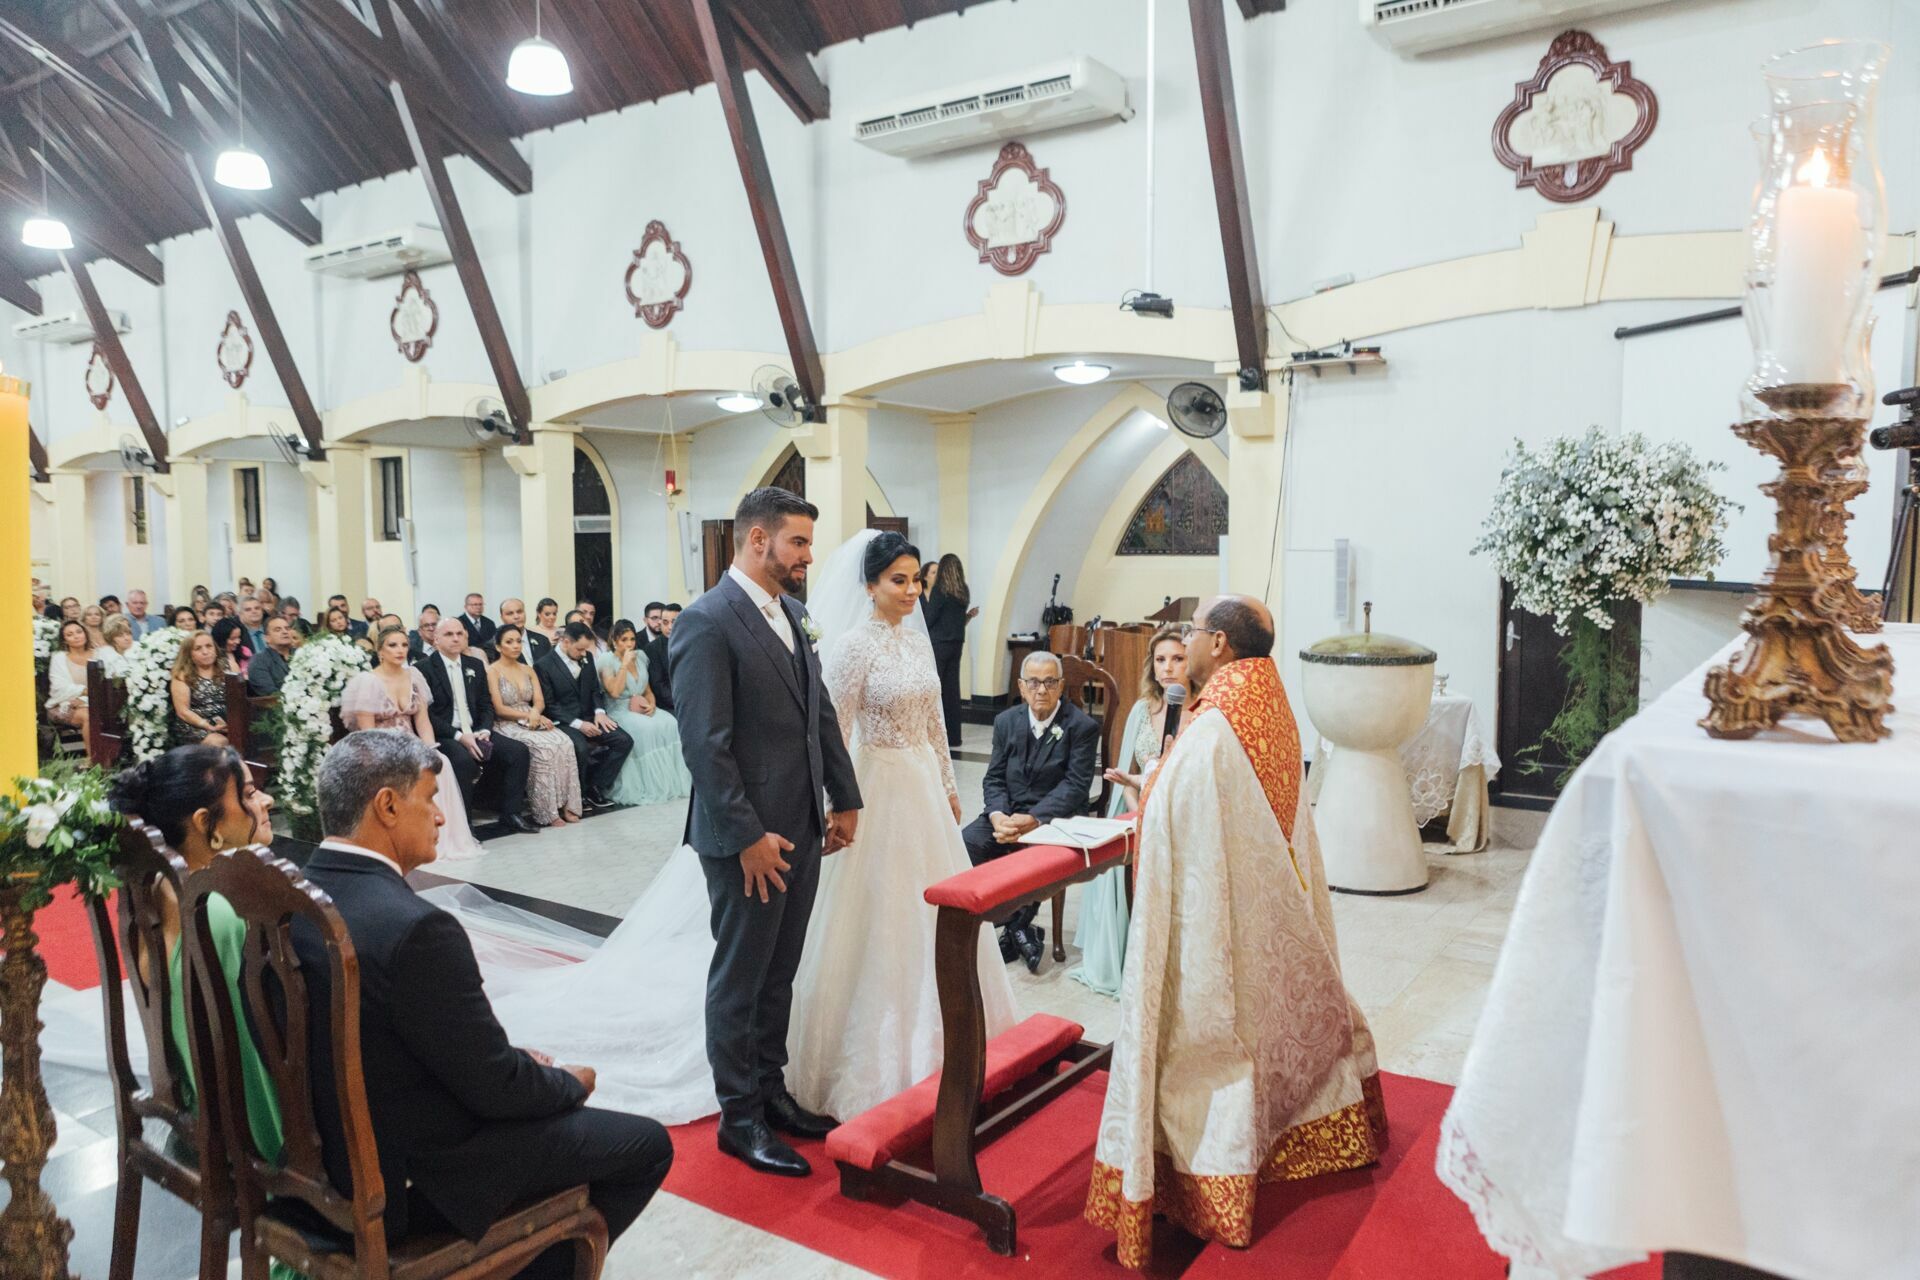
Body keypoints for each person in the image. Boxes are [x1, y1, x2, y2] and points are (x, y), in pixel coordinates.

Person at [293, 733, 672, 1275]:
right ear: (388, 805)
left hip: (317, 1164)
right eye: (431, 798)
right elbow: (496, 1089)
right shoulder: (416, 928)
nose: (442, 818)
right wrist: (568, 1082)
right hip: (402, 1182)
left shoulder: (294, 895)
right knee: (644, 1143)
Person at [1083, 596, 1385, 1268]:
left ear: (1217, 644)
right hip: (1271, 905)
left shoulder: (1218, 722)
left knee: (1214, 1036)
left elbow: (1180, 806)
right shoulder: (1268, 701)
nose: (1185, 643)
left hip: (1232, 921)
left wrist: (1153, 786)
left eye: (1191, 634)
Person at [784, 530, 1017, 1122]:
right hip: (876, 784)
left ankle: (953, 1045)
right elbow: (832, 730)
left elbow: (937, 720)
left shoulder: (917, 644)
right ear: (870, 585)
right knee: (881, 915)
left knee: (938, 910)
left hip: (921, 787)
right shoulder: (855, 648)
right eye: (899, 580)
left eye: (918, 580)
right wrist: (841, 798)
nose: (913, 590)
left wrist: (945, 782)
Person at [670, 486, 862, 1176]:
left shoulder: (796, 615)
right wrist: (747, 833)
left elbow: (821, 714)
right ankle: (738, 1116)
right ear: (758, 540)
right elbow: (705, 744)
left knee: (781, 969)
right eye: (799, 543)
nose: (809, 556)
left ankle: (772, 1091)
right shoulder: (706, 622)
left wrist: (844, 796)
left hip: (802, 824)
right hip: (744, 837)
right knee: (741, 976)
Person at [106, 748, 286, 1178]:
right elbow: (248, 1063)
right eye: (248, 793)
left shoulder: (157, 890)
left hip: (195, 1115)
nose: (266, 802)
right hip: (243, 1140)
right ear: (207, 824)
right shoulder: (219, 914)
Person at [962, 650, 1100, 972]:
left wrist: (1034, 819)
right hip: (1008, 813)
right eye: (1034, 683)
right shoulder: (1006, 721)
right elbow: (994, 777)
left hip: (1054, 817)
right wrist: (998, 816)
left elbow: (1075, 787)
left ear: (1062, 686)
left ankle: (1015, 927)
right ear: (1022, 687)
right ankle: (1017, 925)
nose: (1042, 690)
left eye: (1050, 682)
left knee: (1037, 853)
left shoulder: (1081, 726)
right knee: (968, 842)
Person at [1070, 625, 1187, 998]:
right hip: (1137, 805)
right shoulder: (1141, 708)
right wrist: (1139, 814)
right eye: (1160, 660)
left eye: (1177, 659)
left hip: (1181, 810)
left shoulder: (1200, 710)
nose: (1167, 668)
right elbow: (1127, 771)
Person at [340, 627, 483, 859]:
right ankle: (405, 841)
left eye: (404, 645)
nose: (400, 650)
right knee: (404, 770)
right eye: (393, 645)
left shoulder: (414, 676)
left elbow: (423, 720)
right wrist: (384, 756)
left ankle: (441, 838)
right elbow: (366, 733)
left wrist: (430, 748)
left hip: (412, 743)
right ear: (380, 651)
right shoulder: (368, 682)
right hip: (379, 747)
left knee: (441, 762)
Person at [416, 619, 538, 836]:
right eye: (449, 634)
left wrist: (485, 729)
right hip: (446, 734)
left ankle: (511, 813)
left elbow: (485, 704)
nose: (455, 638)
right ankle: (465, 823)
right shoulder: (423, 669)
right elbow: (428, 715)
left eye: (459, 634)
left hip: (476, 729)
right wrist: (459, 736)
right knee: (462, 761)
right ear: (436, 639)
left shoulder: (475, 665)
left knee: (518, 752)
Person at [486, 624, 583, 826]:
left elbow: (539, 701)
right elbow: (499, 708)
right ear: (498, 647)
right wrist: (528, 715)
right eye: (509, 642)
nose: (515, 646)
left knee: (564, 742)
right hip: (507, 722)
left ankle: (568, 804)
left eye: (518, 641)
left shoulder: (528, 669)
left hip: (532, 717)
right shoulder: (493, 671)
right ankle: (547, 812)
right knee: (545, 748)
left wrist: (535, 714)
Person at [535, 623, 632, 811]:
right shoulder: (543, 665)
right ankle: (577, 794)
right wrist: (579, 724)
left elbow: (595, 689)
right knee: (580, 748)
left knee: (623, 740)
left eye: (585, 649)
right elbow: (550, 704)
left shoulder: (587, 657)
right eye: (579, 649)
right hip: (564, 721)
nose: (583, 653)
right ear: (565, 642)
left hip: (591, 716)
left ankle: (595, 786)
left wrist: (600, 713)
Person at [596, 621, 692, 806]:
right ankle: (648, 786)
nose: (630, 644)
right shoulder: (607, 660)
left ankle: (671, 782)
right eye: (624, 640)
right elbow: (614, 692)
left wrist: (652, 704)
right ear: (615, 641)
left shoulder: (640, 656)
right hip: (619, 709)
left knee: (670, 723)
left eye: (632, 639)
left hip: (641, 704)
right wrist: (624, 664)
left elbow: (647, 688)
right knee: (647, 729)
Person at [921, 553, 977, 749]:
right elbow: (959, 618)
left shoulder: (940, 590)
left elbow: (929, 618)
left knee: (935, 689)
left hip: (939, 643)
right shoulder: (963, 591)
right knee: (953, 691)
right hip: (956, 643)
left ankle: (934, 734)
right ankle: (954, 737)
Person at [169, 631, 229, 748]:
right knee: (219, 742)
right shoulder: (182, 675)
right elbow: (183, 712)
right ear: (189, 654)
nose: (205, 652)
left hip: (226, 721)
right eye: (198, 648)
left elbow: (239, 699)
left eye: (209, 646)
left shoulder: (228, 667)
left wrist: (230, 724)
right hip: (195, 726)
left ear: (215, 649)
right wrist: (207, 726)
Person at [46, 619, 93, 733]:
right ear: (65, 640)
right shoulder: (59, 658)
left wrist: (85, 698)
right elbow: (59, 688)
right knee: (89, 717)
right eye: (69, 634)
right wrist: (86, 692)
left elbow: (107, 684)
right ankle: (93, 752)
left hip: (95, 703)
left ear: (85, 634)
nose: (76, 636)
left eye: (79, 632)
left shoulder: (100, 654)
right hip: (64, 704)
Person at [246, 617, 297, 697]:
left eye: (287, 628)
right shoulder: (259, 660)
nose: (285, 632)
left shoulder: (301, 654)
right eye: (278, 630)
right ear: (267, 638)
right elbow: (269, 692)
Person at [640, 603, 674, 712]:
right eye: (654, 618)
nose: (659, 622)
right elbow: (657, 684)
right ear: (645, 620)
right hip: (659, 701)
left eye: (661, 618)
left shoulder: (673, 639)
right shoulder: (636, 641)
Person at [525, 598, 559, 665]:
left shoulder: (561, 631)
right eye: (547, 614)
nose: (552, 617)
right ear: (539, 614)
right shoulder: (531, 631)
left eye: (554, 614)